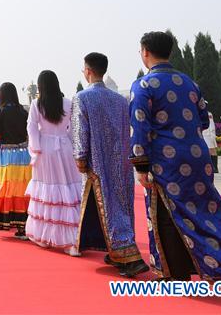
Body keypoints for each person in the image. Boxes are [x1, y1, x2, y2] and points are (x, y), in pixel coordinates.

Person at [129, 31, 221, 307]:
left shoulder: (143, 85)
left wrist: (140, 164)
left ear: (144, 52)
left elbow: (139, 126)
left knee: (164, 215)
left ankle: (171, 274)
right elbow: (203, 120)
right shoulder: (189, 83)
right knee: (209, 215)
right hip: (197, 157)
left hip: (165, 162)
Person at [73, 52, 148, 277]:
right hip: (121, 161)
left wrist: (80, 157)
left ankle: (128, 255)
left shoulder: (82, 98)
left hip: (98, 161)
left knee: (107, 205)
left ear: (87, 71)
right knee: (121, 205)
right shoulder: (119, 100)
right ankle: (116, 251)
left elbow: (80, 130)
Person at [24, 70, 83, 255]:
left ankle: (44, 235)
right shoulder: (68, 102)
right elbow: (74, 129)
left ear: (40, 86)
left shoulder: (36, 104)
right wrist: (74, 147)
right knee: (66, 188)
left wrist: (35, 150)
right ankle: (71, 241)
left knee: (47, 189)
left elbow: (31, 127)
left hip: (45, 149)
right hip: (64, 146)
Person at [0, 82, 30, 238]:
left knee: (7, 186)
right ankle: (24, 225)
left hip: (7, 155)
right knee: (23, 188)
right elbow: (28, 135)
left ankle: (6, 220)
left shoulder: (0, 112)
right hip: (24, 154)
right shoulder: (23, 112)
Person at [202, 107, 219, 174]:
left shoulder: (208, 114)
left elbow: (211, 124)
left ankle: (215, 167)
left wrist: (212, 134)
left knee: (212, 150)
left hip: (208, 134)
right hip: (201, 134)